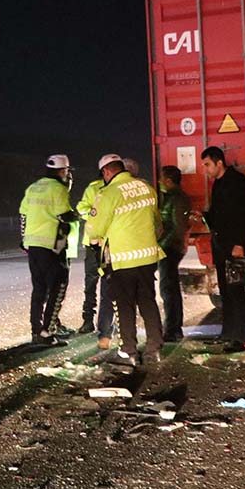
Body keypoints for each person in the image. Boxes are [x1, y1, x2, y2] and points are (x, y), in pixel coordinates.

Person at [86, 154, 165, 365]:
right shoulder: (147, 188)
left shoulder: (108, 193)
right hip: (148, 257)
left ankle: (128, 351)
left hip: (122, 259)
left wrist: (95, 241)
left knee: (125, 305)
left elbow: (95, 228)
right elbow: (158, 224)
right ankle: (154, 348)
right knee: (148, 302)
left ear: (107, 172)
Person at [19, 154, 79, 347]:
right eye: (67, 171)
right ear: (63, 171)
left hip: (33, 247)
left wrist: (24, 240)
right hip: (52, 248)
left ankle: (36, 331)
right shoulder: (58, 189)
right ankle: (48, 332)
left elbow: (23, 215)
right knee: (58, 288)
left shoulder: (33, 187)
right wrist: (78, 215)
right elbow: (64, 216)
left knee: (38, 290)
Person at [200, 146, 245, 344]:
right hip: (221, 246)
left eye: (207, 165)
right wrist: (204, 216)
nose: (205, 170)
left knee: (236, 293)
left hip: (234, 246)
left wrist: (239, 244)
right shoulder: (218, 184)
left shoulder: (237, 182)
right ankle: (227, 334)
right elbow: (217, 215)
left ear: (219, 162)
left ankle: (237, 337)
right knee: (225, 293)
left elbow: (243, 215)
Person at [76, 173, 114, 343]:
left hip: (112, 243)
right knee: (90, 283)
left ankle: (108, 325)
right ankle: (87, 320)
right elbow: (81, 208)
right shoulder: (93, 188)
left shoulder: (118, 189)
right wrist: (93, 213)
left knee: (110, 285)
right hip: (93, 243)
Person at [157, 165, 191, 342]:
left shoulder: (177, 199)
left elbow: (177, 227)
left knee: (168, 289)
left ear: (168, 180)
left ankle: (172, 329)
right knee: (169, 288)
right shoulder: (172, 197)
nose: (159, 182)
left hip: (170, 249)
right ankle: (173, 327)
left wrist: (160, 245)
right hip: (169, 247)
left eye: (162, 178)